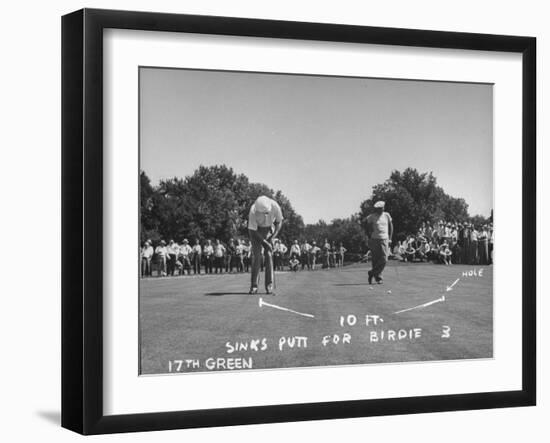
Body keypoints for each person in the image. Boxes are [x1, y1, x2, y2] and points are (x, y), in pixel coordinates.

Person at [248, 195, 283, 295]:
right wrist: (265, 243)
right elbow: (253, 230)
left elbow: (279, 222)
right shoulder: (253, 210)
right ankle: (254, 287)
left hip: (268, 230)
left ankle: (269, 286)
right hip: (255, 232)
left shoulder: (275, 206)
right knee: (257, 257)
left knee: (268, 255)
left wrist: (273, 237)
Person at [365, 201, 393, 284]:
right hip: (374, 239)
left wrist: (390, 238)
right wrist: (369, 238)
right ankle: (378, 278)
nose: (382, 210)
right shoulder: (371, 217)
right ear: (377, 209)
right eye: (380, 209)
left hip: (384, 239)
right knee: (376, 259)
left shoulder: (386, 215)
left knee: (384, 258)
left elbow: (391, 227)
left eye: (382, 208)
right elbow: (367, 228)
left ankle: (372, 273)